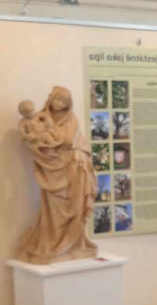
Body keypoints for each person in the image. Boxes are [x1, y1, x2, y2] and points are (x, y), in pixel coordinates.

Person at [15, 87, 98, 264]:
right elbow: (30, 139)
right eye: (56, 99)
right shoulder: (39, 117)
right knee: (53, 212)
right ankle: (53, 244)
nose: (59, 104)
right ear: (50, 99)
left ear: (68, 104)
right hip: (52, 170)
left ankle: (73, 244)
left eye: (63, 101)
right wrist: (39, 140)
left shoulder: (71, 119)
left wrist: (52, 135)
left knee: (75, 207)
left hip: (74, 169)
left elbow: (69, 141)